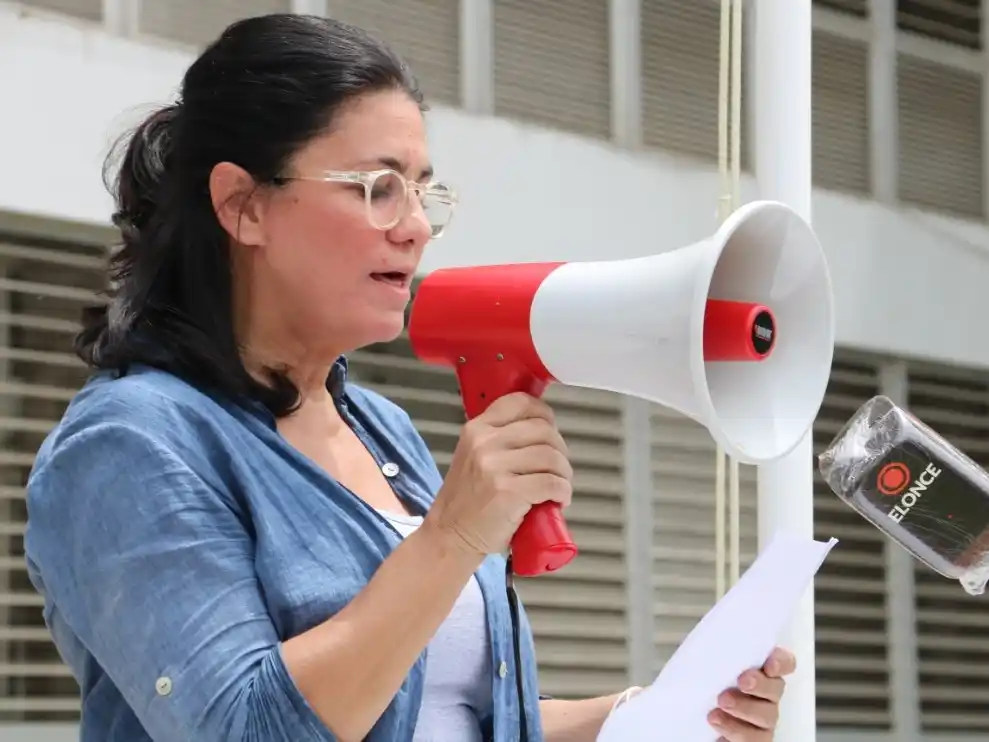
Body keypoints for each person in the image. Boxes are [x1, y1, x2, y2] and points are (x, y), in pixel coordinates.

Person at [23, 13, 795, 742]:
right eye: (376, 187)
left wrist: (643, 714)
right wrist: (452, 537)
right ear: (243, 205)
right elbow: (243, 725)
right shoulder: (131, 444)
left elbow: (439, 716)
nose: (416, 225)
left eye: (422, 191)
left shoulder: (379, 428)